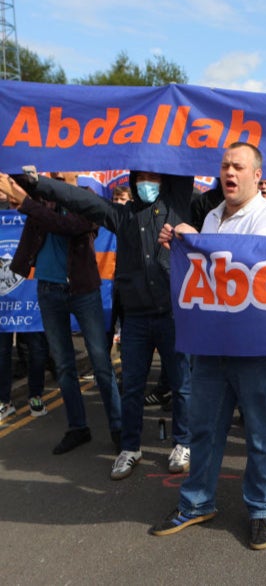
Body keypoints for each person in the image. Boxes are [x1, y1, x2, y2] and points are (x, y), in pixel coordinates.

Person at [149, 141, 266, 551]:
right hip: (212, 346)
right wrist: (179, 249)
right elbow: (208, 278)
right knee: (204, 429)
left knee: (261, 433)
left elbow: (259, 268)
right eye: (225, 165)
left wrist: (199, 243)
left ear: (257, 176)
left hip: (256, 346)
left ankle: (262, 509)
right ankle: (197, 503)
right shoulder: (212, 215)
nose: (229, 172)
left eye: (239, 166)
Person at [14, 167, 193, 479]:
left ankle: (183, 442)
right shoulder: (121, 215)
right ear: (132, 182)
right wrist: (35, 182)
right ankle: (130, 447)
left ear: (164, 180)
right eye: (140, 178)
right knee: (133, 385)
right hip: (136, 318)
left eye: (153, 177)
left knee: (181, 384)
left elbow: (181, 161)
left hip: (170, 314)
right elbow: (80, 199)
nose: (146, 184)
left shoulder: (177, 206)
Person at [0, 171, 123, 455]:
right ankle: (77, 427)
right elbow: (26, 185)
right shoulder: (41, 196)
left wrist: (26, 202)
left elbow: (67, 226)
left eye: (62, 165)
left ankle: (119, 429)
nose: (55, 170)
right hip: (48, 291)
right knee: (64, 366)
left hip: (83, 291)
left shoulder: (89, 200)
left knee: (101, 365)